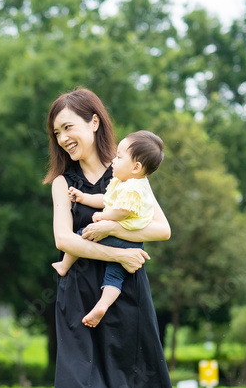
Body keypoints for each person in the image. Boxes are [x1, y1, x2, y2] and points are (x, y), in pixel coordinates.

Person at [28, 89, 182, 388]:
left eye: (69, 127)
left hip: (127, 294)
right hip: (78, 294)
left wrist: (120, 239)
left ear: (94, 122)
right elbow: (63, 239)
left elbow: (161, 229)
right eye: (56, 132)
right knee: (77, 385)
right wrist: (117, 252)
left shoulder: (130, 172)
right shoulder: (64, 183)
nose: (62, 138)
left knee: (135, 382)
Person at [52, 130, 165, 327]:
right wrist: (84, 197)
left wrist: (105, 219)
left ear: (136, 167)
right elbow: (106, 199)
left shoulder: (134, 187)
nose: (114, 160)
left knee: (82, 235)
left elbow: (120, 210)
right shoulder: (125, 183)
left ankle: (64, 265)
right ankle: (103, 305)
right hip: (132, 243)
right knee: (114, 277)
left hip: (122, 236)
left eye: (120, 157)